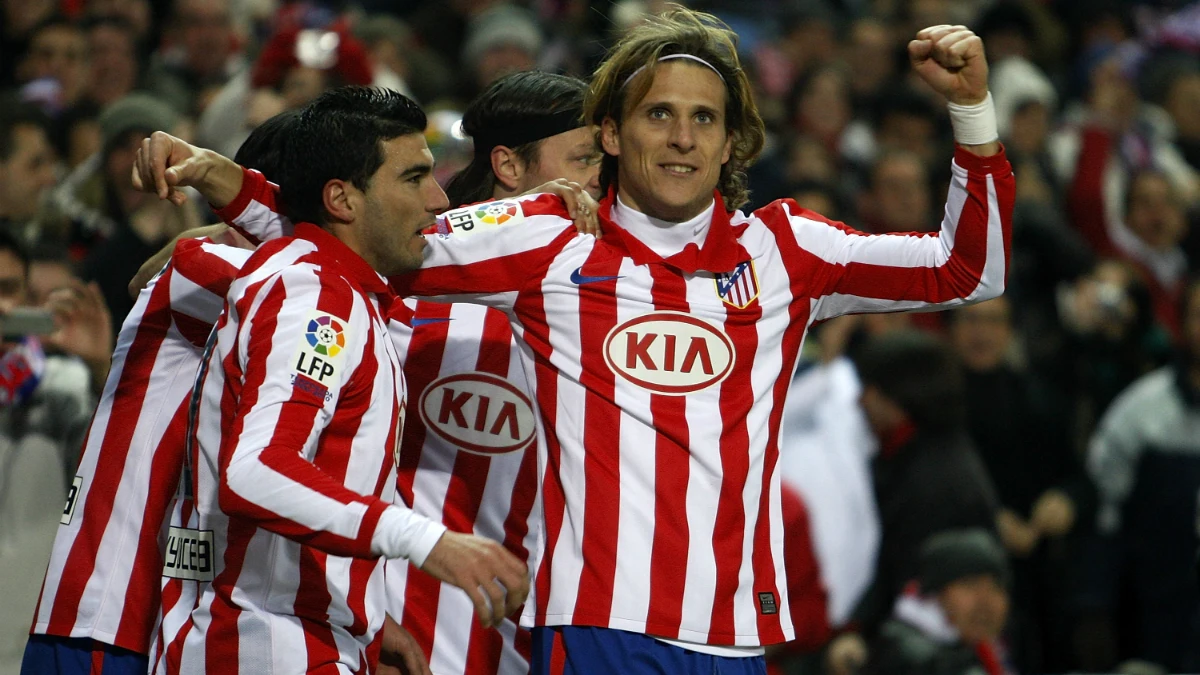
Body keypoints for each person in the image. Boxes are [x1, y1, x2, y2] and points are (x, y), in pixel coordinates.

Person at [140, 8, 1014, 672]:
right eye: (659, 114)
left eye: (703, 118)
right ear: (610, 132)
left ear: (732, 138)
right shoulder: (550, 238)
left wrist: (973, 111)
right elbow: (360, 239)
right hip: (591, 629)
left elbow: (967, 270)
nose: (680, 137)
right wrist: (232, 200)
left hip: (738, 632)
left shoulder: (788, 250)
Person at [150, 88, 530, 675]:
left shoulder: (341, 289)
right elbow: (255, 471)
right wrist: (428, 541)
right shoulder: (316, 298)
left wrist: (367, 623)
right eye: (413, 178)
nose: (437, 200)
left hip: (300, 636)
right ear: (342, 199)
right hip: (260, 644)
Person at [1085, 275, 1200, 672]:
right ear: (1182, 323)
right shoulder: (1141, 412)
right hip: (1155, 617)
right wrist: (1094, 605)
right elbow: (1104, 514)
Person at [868, 529, 1013, 675]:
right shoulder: (908, 655)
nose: (986, 602)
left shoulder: (993, 652)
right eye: (969, 584)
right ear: (936, 594)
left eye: (996, 587)